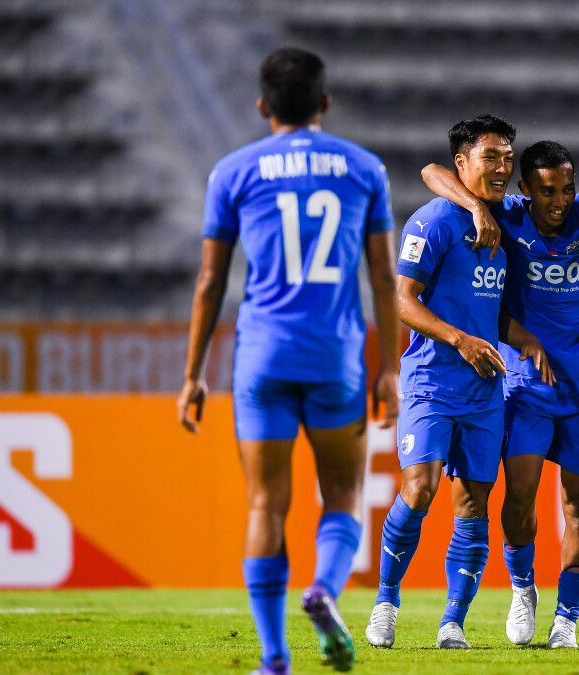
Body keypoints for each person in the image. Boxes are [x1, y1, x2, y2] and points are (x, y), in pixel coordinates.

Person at [177, 47, 401, 674]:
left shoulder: (232, 171)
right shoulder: (365, 170)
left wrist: (193, 374)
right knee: (344, 494)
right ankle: (324, 590)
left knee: (265, 505)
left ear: (261, 106)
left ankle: (275, 658)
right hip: (335, 358)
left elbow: (209, 282)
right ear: (325, 103)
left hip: (262, 358)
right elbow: (383, 278)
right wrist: (389, 367)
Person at [419, 141, 579, 649]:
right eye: (546, 191)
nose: (559, 201)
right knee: (519, 496)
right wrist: (473, 205)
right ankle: (522, 586)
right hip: (525, 386)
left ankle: (567, 620)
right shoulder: (506, 217)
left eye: (566, 188)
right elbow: (430, 171)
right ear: (525, 193)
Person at [365, 114, 552, 651]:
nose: (501, 166)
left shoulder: (509, 218)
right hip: (430, 380)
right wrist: (459, 340)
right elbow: (403, 301)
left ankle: (453, 623)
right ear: (463, 164)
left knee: (472, 503)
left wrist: (522, 339)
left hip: (485, 389)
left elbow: (486, 312)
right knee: (419, 488)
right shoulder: (434, 221)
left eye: (506, 157)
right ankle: (385, 603)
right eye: (489, 157)